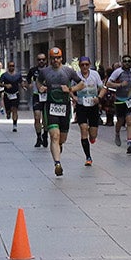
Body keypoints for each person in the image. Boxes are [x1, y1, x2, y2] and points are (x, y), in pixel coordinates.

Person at [38, 47, 84, 177]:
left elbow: (81, 84)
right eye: (53, 58)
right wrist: (40, 87)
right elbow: (38, 82)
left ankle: (58, 148)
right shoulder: (44, 72)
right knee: (54, 136)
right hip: (51, 107)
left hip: (64, 108)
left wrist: (70, 89)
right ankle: (57, 163)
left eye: (58, 58)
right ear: (50, 59)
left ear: (61, 58)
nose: (55, 60)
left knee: (61, 139)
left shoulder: (68, 71)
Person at [73, 57, 105, 166]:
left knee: (93, 133)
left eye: (86, 64)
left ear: (90, 65)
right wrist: (74, 97)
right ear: (79, 65)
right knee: (83, 128)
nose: (85, 67)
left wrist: (99, 98)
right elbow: (69, 88)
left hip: (93, 106)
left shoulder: (95, 75)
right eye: (82, 65)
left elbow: (102, 88)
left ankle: (92, 138)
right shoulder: (76, 76)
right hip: (81, 106)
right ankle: (88, 157)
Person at [106, 55, 131, 153]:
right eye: (125, 61)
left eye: (129, 61)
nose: (127, 63)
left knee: (130, 121)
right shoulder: (117, 72)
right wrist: (120, 85)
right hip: (119, 99)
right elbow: (108, 84)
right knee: (120, 120)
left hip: (129, 99)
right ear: (122, 62)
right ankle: (117, 133)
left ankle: (129, 143)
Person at [27, 53, 48, 147]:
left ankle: (45, 135)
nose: (41, 61)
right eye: (39, 59)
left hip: (47, 96)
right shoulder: (33, 70)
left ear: (46, 60)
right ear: (37, 61)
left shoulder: (49, 70)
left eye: (43, 59)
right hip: (37, 95)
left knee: (46, 119)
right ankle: (39, 137)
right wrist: (29, 85)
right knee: (37, 116)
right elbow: (27, 80)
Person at [0, 61, 24, 132]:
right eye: (10, 66)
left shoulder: (18, 75)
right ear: (8, 67)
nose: (11, 67)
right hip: (7, 95)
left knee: (15, 109)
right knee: (8, 111)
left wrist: (23, 86)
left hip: (15, 94)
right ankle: (8, 113)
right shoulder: (4, 75)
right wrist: (5, 85)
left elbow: (21, 82)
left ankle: (15, 125)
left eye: (13, 66)